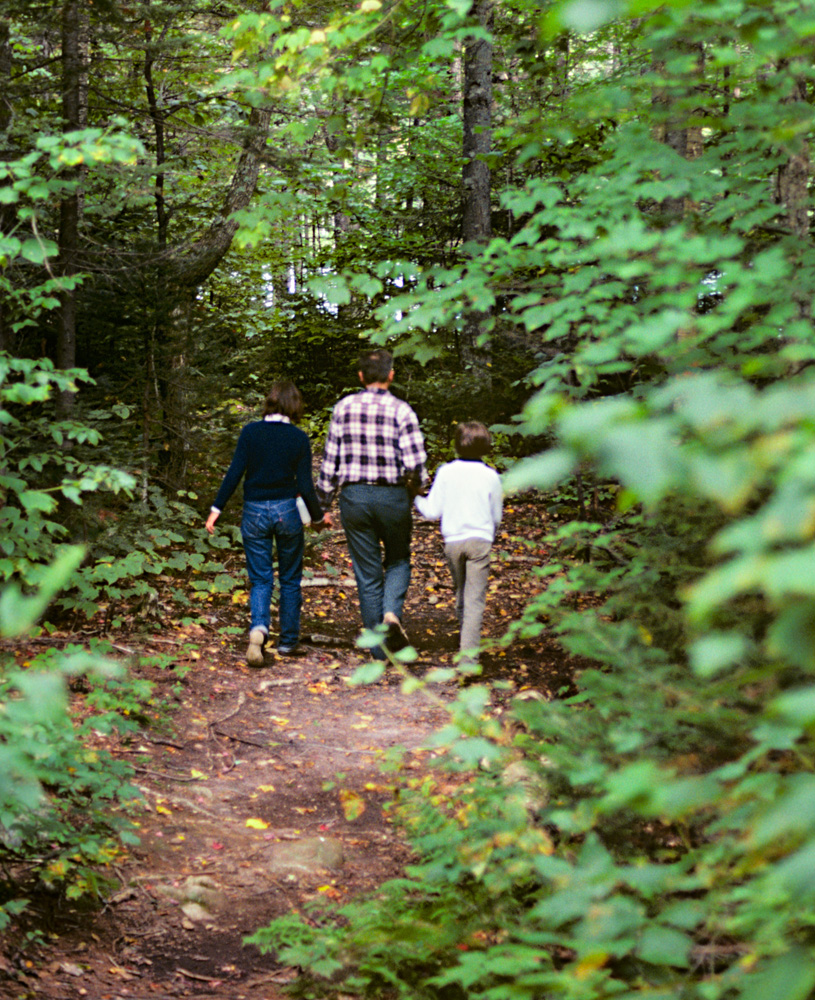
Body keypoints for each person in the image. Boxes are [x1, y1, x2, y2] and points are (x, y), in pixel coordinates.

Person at [206, 381, 331, 665]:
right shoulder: (298, 438)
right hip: (287, 510)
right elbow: (305, 485)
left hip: (254, 511)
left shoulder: (250, 432)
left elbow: (235, 472)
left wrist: (216, 508)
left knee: (261, 579)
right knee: (290, 579)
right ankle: (288, 642)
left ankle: (259, 629)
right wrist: (318, 517)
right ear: (294, 405)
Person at [317, 348, 427, 656]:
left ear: (361, 376)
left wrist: (322, 505)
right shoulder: (402, 411)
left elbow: (330, 463)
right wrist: (416, 490)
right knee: (398, 559)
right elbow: (415, 464)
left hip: (354, 498)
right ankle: (391, 612)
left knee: (367, 574)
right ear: (391, 375)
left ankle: (380, 652)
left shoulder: (343, 408)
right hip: (392, 496)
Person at [414, 421, 502, 666]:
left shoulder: (446, 472)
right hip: (480, 540)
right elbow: (496, 516)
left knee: (461, 592)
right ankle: (468, 659)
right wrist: (490, 534)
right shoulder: (491, 476)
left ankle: (465, 641)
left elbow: (431, 511)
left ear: (457, 445)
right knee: (474, 599)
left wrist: (414, 496)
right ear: (485, 446)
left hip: (453, 541)